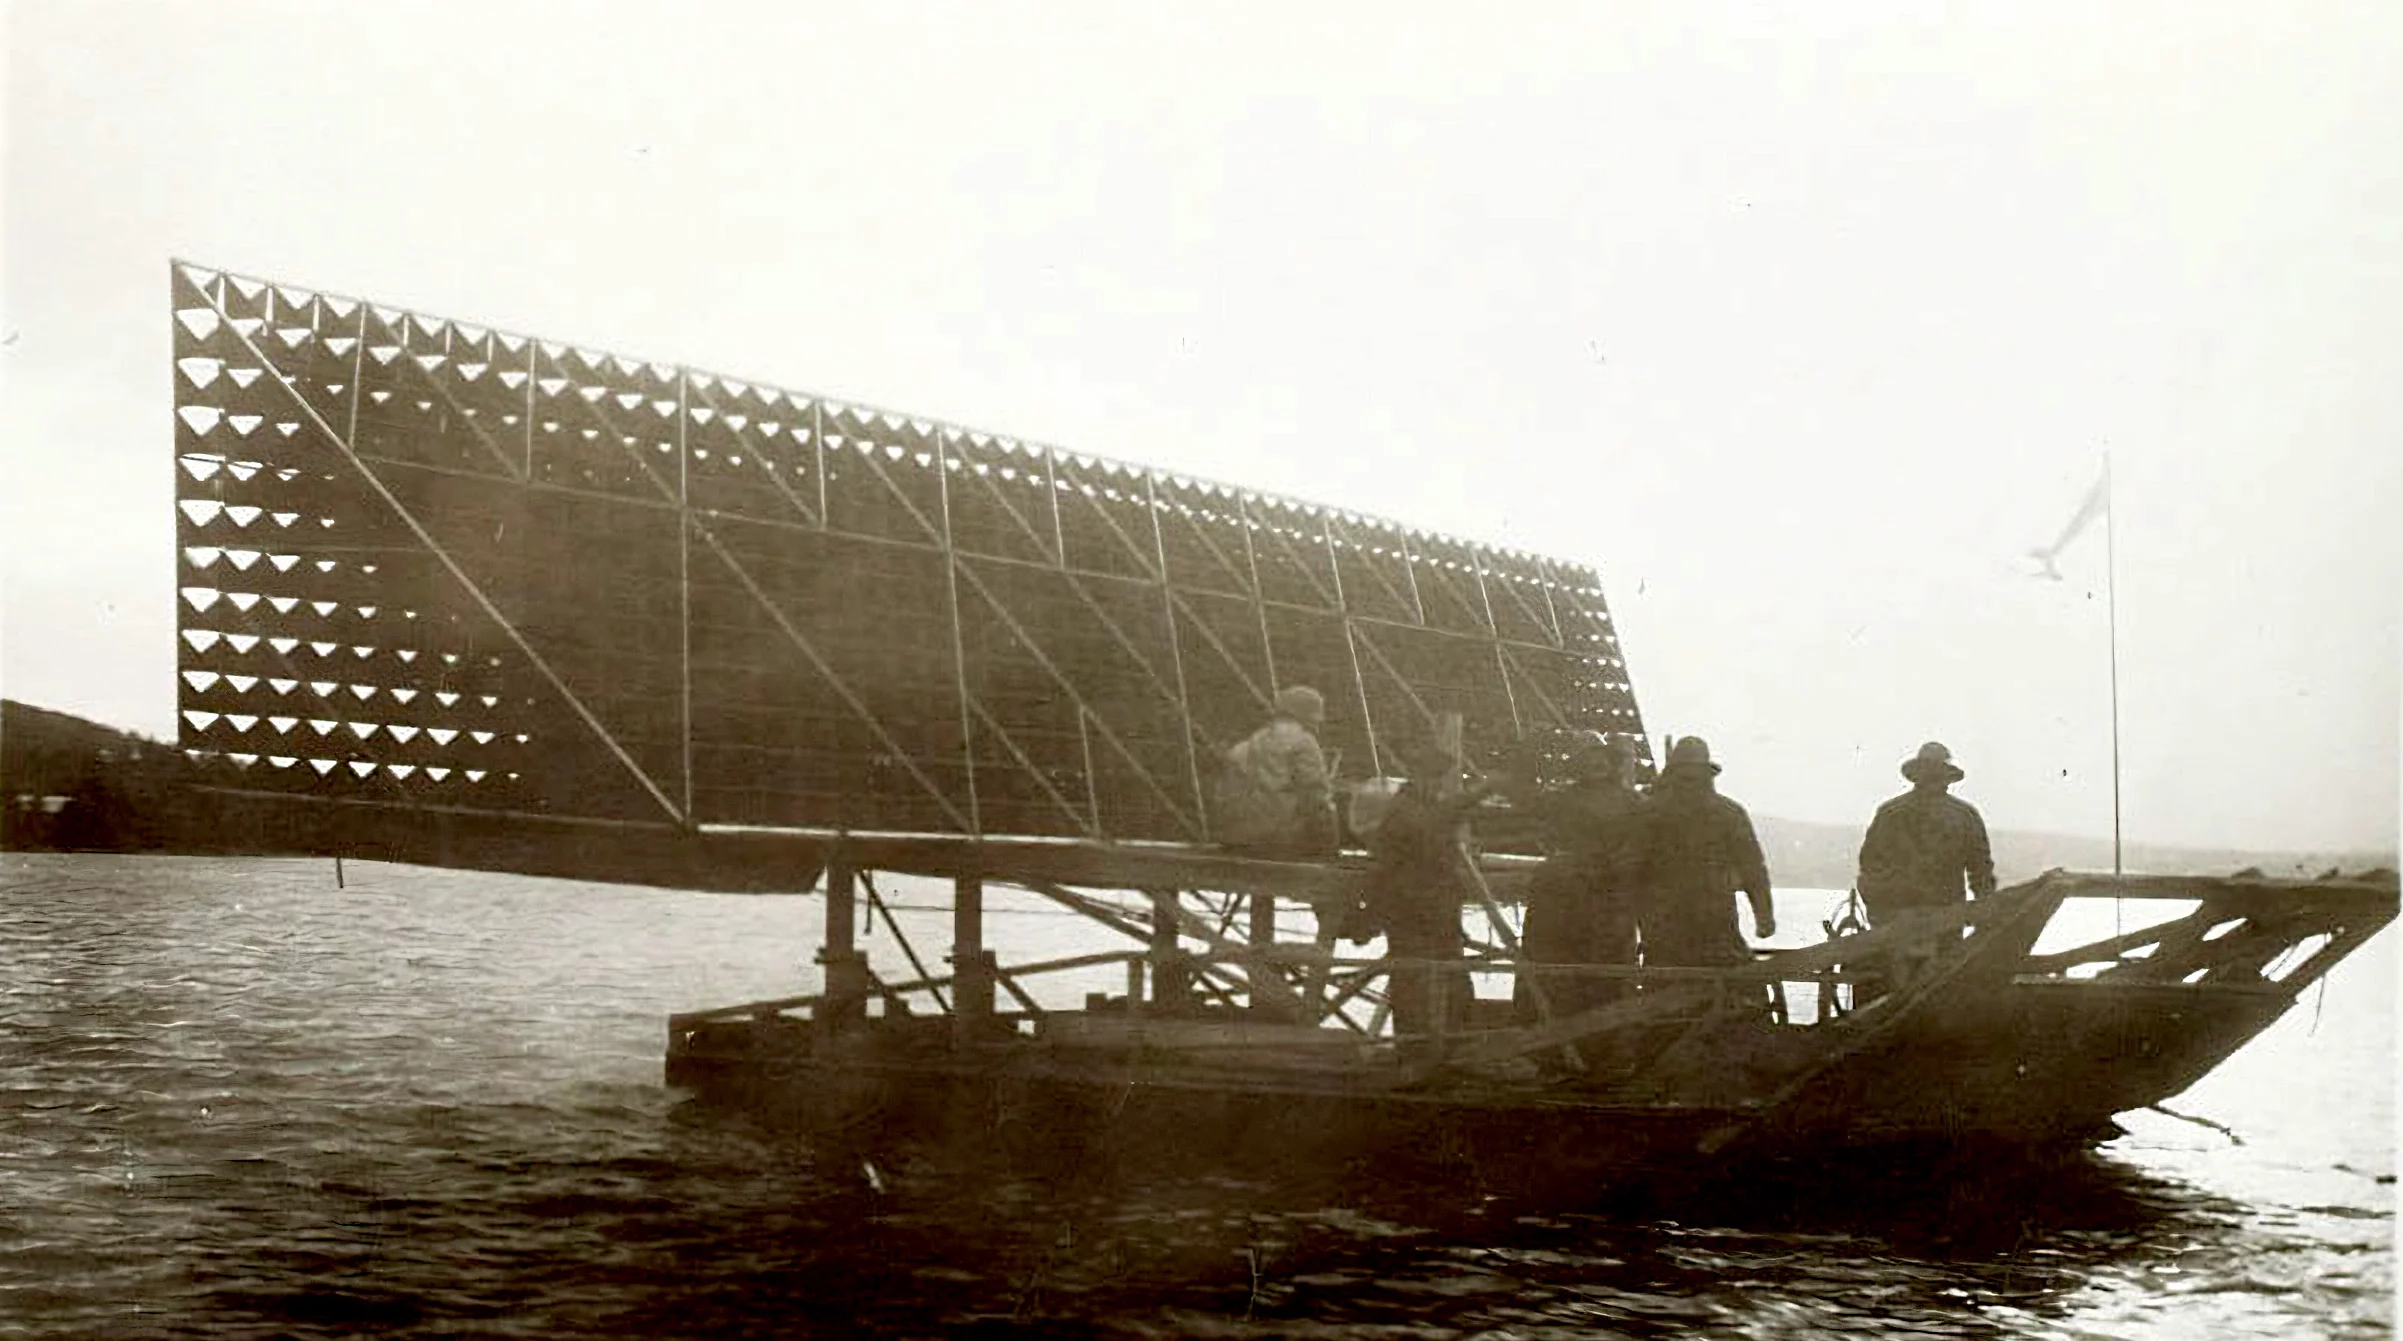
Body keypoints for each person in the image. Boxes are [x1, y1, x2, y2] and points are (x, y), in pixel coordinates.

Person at [1361, 736, 1492, 1051]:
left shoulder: (1425, 806)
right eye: (1430, 776)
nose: (1434, 783)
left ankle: (1453, 1044)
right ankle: (1418, 1049)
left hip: (1436, 905)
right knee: (1414, 979)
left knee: (1449, 976)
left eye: (1438, 777)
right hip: (1412, 906)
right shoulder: (1405, 808)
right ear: (1418, 776)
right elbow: (1424, 832)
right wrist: (1476, 795)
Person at [1509, 732, 1645, 1024]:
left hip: (1608, 900)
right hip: (1570, 899)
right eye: (1587, 758)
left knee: (1605, 975)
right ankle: (1557, 1040)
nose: (1595, 763)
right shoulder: (1564, 799)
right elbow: (1525, 799)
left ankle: (1600, 1045)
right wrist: (1526, 757)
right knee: (1561, 970)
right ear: (1578, 765)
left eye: (1599, 757)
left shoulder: (1634, 802)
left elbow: (1644, 846)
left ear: (1610, 761)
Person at [1635, 736, 1774, 969]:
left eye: (1693, 775)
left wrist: (1764, 916)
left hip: (1710, 922)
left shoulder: (1727, 813)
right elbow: (1630, 868)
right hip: (1667, 926)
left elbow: (1753, 870)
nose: (1689, 782)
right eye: (1685, 775)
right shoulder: (1648, 814)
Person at [1855, 741, 1996, 925]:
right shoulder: (1964, 815)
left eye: (1936, 774)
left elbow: (1981, 872)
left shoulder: (1891, 812)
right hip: (1909, 920)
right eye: (1931, 773)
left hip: (1930, 920)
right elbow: (1870, 866)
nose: (1933, 780)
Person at [1212, 685, 1337, 861]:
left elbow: (1223, 795)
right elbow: (1316, 797)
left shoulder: (1245, 745)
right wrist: (1331, 844)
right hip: (1279, 842)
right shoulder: (1304, 742)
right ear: (1307, 716)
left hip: (1236, 839)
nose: (1319, 724)